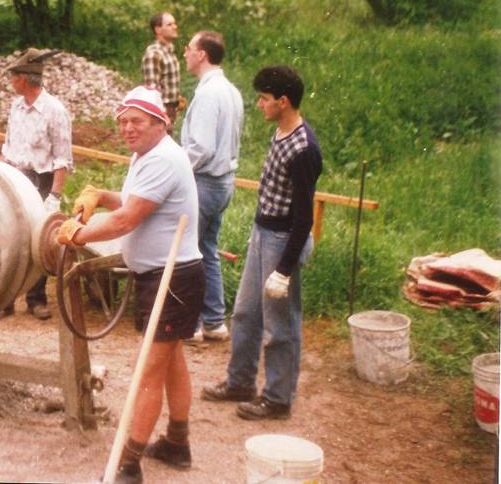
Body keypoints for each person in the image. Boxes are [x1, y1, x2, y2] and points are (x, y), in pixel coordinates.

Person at [58, 85, 202, 483]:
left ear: (161, 122)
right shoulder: (148, 156)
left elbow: (128, 220)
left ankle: (129, 463)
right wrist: (102, 195)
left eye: (136, 121)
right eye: (122, 121)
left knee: (148, 371)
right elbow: (135, 200)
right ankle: (177, 442)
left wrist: (78, 233)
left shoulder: (163, 159)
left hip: (172, 278)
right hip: (163, 275)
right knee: (170, 360)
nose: (127, 128)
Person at [202, 65, 322, 420]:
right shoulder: (281, 132)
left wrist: (283, 270)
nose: (259, 105)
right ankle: (240, 382)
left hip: (283, 240)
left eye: (264, 99)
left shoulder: (304, 149)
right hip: (262, 232)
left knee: (280, 325)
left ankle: (278, 398)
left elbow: (304, 217)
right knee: (245, 313)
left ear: (283, 102)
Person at [0, 48, 73, 322]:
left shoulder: (55, 111)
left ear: (26, 79)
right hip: (16, 176)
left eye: (13, 77)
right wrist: (1, 173)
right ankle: (6, 300)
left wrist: (55, 195)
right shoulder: (16, 107)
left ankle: (36, 299)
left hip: (42, 180)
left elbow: (63, 157)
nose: (11, 82)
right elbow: (8, 144)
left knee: (38, 240)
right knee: (10, 235)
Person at [179, 31, 244, 342]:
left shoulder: (208, 93)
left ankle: (190, 325)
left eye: (189, 48)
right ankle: (215, 322)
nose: (185, 53)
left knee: (185, 252)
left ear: (202, 54)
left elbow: (201, 146)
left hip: (205, 182)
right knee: (207, 250)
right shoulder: (230, 90)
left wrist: (175, 170)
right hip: (223, 183)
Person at [142, 12, 185, 127]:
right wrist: (162, 117)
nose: (175, 27)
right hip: (162, 112)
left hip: (171, 109)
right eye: (169, 24)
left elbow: (166, 82)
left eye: (174, 24)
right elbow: (152, 91)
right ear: (158, 30)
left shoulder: (169, 52)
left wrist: (177, 98)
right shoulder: (154, 54)